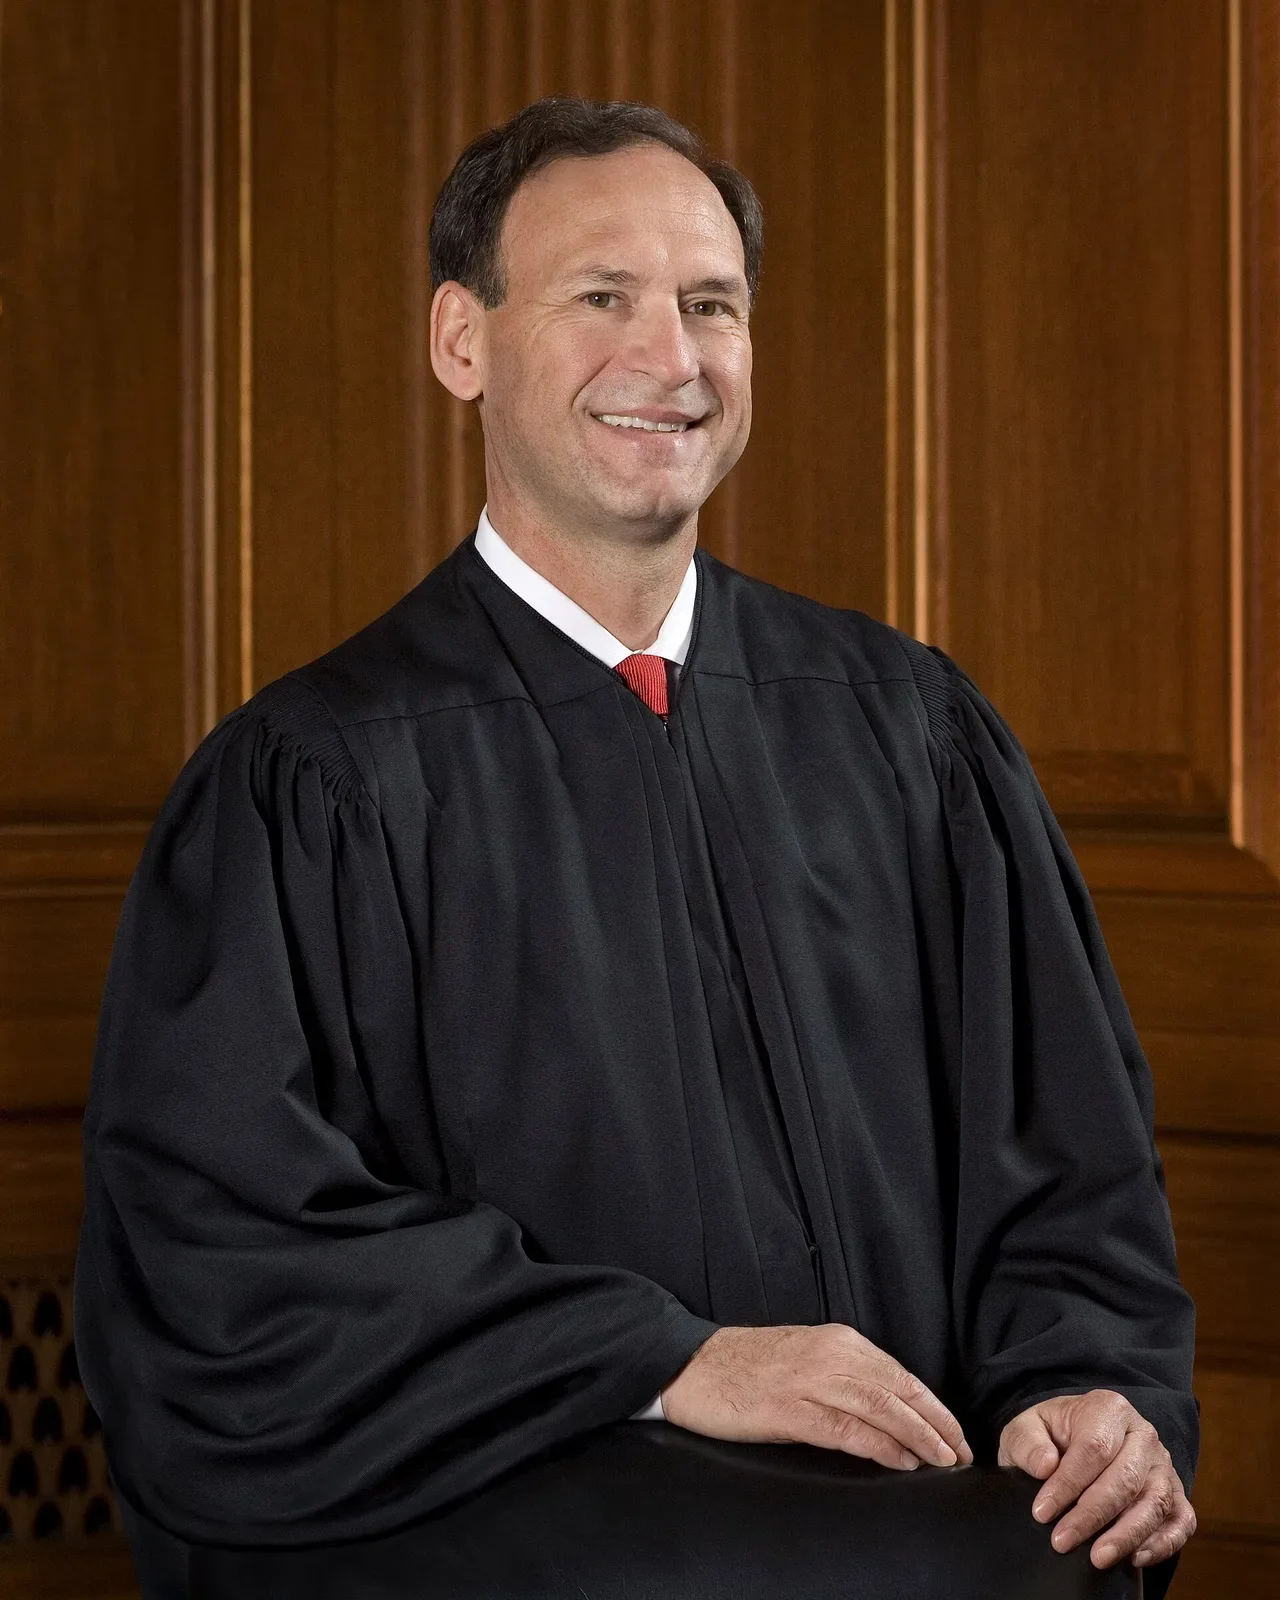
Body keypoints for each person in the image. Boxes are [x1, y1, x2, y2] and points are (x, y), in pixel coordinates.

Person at [76, 97, 1197, 1595]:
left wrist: (1086, 1382)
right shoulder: (311, 786)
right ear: (461, 343)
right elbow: (225, 1262)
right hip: (522, 1513)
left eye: (710, 305)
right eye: (602, 298)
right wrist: (668, 1363)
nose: (670, 358)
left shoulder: (909, 733)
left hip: (927, 1503)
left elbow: (1070, 1162)